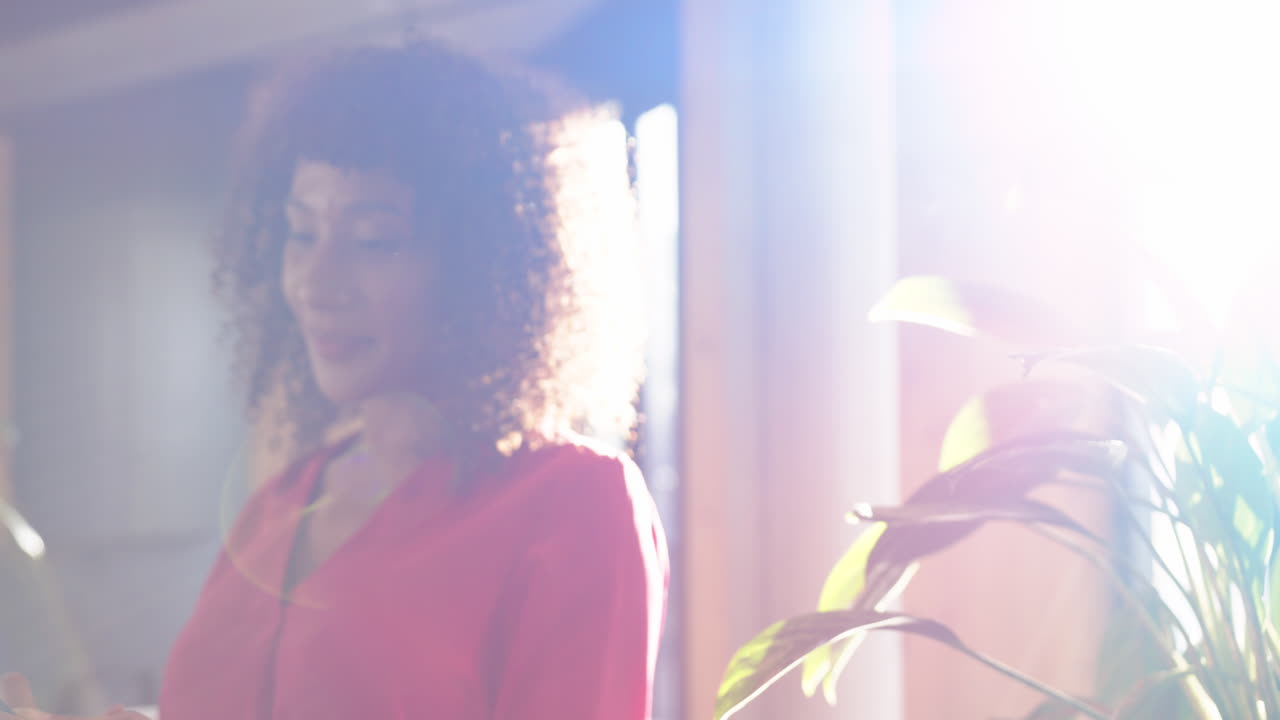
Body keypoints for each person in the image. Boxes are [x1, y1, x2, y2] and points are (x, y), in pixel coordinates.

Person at [2, 41, 667, 720]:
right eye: (301, 233)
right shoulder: (278, 508)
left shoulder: (574, 504)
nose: (318, 283)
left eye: (374, 240)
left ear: (482, 269)